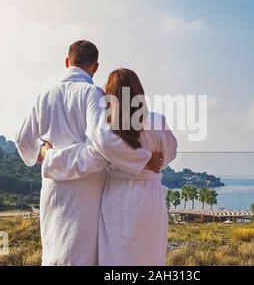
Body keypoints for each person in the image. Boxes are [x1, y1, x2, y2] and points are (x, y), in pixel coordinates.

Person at [15, 41, 161, 266]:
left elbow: (23, 141)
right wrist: (142, 158)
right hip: (87, 191)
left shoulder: (44, 95)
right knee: (81, 256)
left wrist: (47, 154)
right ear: (95, 67)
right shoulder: (93, 93)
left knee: (54, 252)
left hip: (53, 189)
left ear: (67, 61)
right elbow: (102, 145)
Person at [40, 68, 177, 266]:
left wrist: (48, 155)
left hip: (118, 197)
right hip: (151, 198)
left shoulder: (109, 126)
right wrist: (152, 161)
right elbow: (170, 152)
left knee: (117, 259)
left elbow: (98, 150)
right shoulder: (158, 121)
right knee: (150, 257)